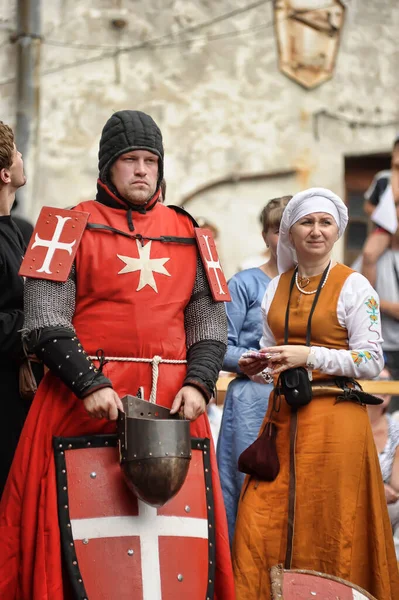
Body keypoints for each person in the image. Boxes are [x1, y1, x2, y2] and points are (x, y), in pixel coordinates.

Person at [0, 110, 235, 599]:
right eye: (131, 159)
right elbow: (45, 319)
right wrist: (87, 383)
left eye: (150, 160)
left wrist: (200, 381)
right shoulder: (64, 226)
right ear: (108, 166)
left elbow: (210, 322)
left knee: (174, 547)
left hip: (173, 407)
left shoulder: (192, 233)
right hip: (81, 402)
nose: (142, 170)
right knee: (70, 540)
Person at [233, 188, 399, 600]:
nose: (316, 231)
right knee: (261, 518)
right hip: (283, 421)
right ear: (289, 232)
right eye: (307, 222)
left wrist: (310, 354)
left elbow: (369, 359)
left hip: (336, 422)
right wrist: (261, 366)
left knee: (331, 523)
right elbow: (276, 357)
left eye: (325, 223)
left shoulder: (355, 285)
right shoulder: (274, 289)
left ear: (337, 230)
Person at [216, 196, 291, 545]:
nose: (287, 237)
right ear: (265, 236)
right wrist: (254, 360)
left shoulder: (322, 286)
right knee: (245, 488)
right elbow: (218, 346)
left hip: (301, 401)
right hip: (252, 403)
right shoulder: (244, 284)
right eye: (279, 230)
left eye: (293, 227)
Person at [0, 122, 31, 498]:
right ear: (6, 173)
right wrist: (41, 325)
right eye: (18, 152)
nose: (24, 158)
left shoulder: (15, 230)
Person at [367, 367, 399, 558]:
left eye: (389, 382)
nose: (384, 386)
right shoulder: (351, 424)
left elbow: (397, 486)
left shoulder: (395, 427)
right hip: (356, 498)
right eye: (378, 380)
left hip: (387, 505)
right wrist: (378, 489)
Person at [362, 134, 399, 286]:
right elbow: (368, 206)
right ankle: (367, 298)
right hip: (385, 229)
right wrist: (384, 217)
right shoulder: (383, 178)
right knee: (369, 254)